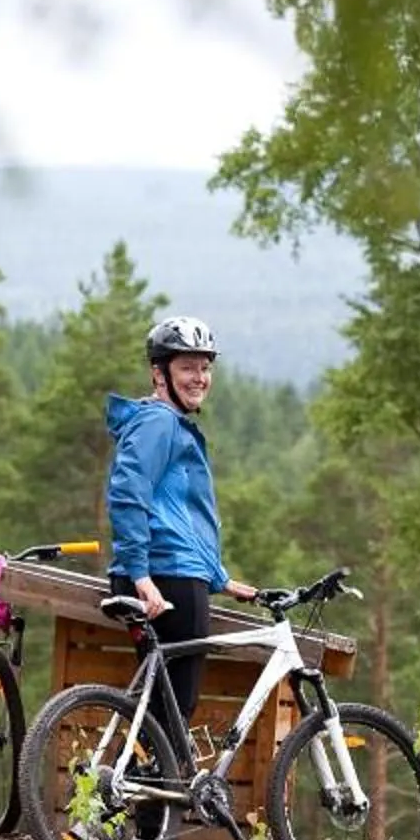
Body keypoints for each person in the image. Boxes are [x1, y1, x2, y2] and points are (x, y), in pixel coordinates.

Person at [104, 316, 256, 740]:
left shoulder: (167, 424)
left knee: (162, 705)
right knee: (176, 707)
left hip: (172, 573)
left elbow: (180, 516)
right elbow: (127, 494)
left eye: (205, 367)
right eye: (188, 367)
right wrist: (140, 575)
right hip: (165, 577)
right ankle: (148, 785)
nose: (200, 378)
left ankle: (131, 781)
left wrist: (219, 578)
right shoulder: (159, 423)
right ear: (159, 374)